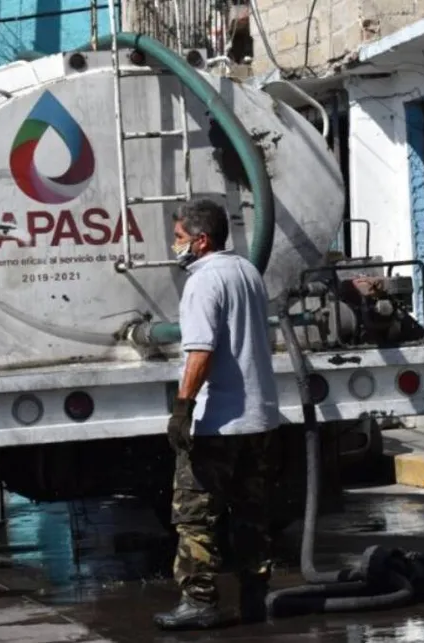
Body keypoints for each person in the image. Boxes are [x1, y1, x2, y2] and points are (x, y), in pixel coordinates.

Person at [153, 198, 281, 631]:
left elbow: (201, 351)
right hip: (258, 419)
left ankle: (199, 602)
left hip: (218, 423)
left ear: (201, 240)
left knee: (195, 515)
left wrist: (182, 409)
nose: (176, 246)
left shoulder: (204, 281)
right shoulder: (247, 271)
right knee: (251, 512)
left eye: (179, 238)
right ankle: (255, 598)